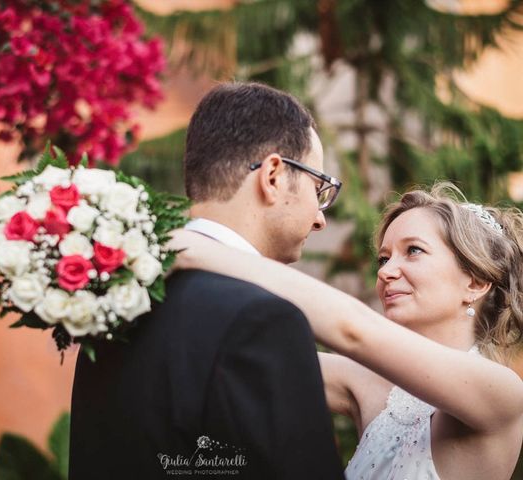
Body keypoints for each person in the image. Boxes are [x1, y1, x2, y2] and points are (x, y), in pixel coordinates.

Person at [68, 82, 345, 479]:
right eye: (317, 188)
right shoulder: (264, 320)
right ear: (273, 176)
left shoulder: (118, 305)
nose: (320, 218)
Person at [168, 183, 523, 480]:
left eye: (413, 251)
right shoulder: (367, 383)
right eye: (384, 259)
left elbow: (351, 328)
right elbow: (240, 358)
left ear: (475, 282)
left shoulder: (501, 393)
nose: (386, 272)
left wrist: (197, 250)